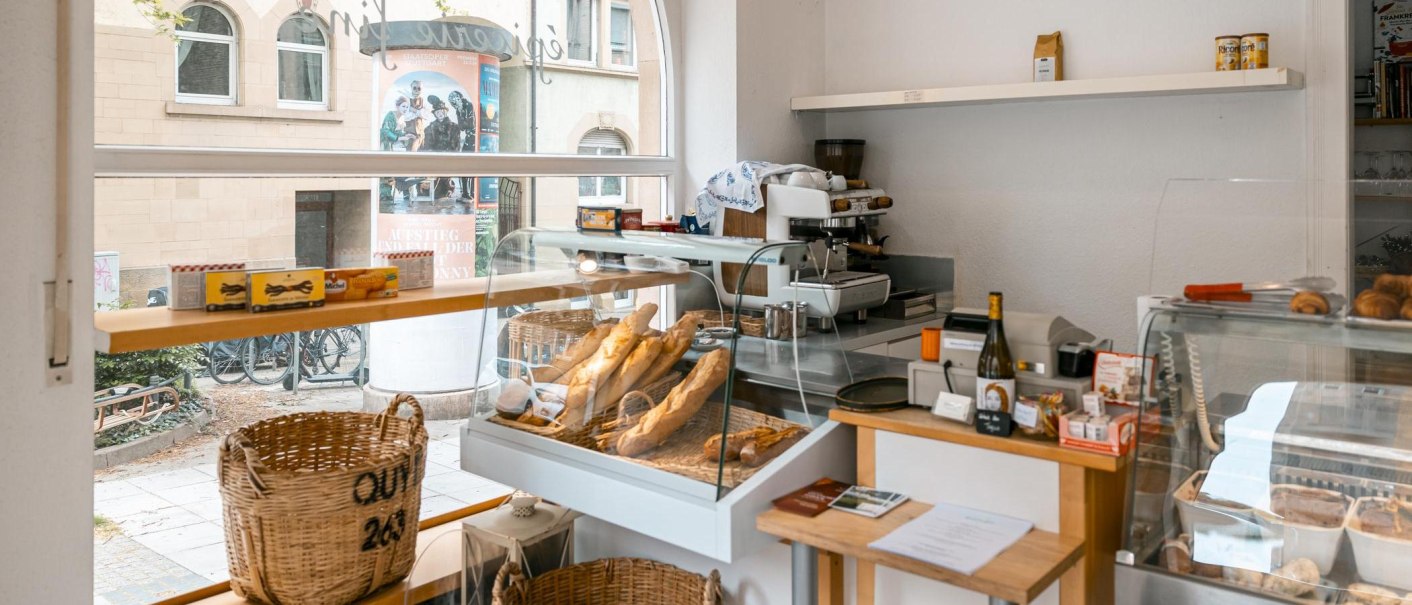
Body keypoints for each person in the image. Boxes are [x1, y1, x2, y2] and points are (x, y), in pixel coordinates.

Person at [406, 80, 429, 152]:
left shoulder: (423, 101)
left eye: (419, 88)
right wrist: (419, 112)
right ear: (411, 87)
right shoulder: (406, 99)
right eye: (414, 88)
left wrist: (414, 110)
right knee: (410, 154)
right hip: (410, 133)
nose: (416, 90)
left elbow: (426, 116)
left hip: (420, 133)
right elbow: (406, 116)